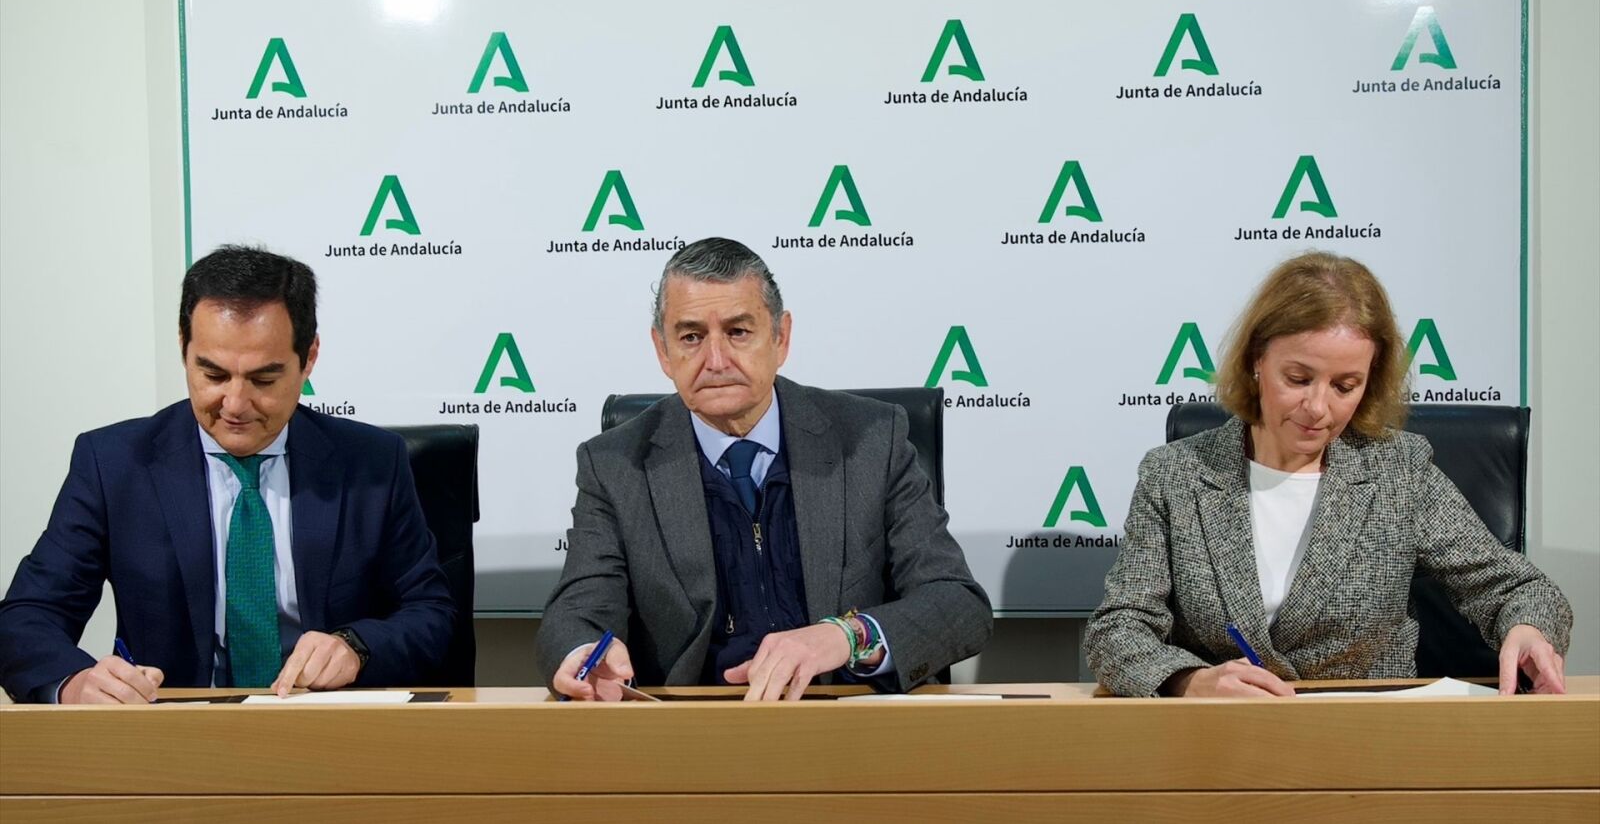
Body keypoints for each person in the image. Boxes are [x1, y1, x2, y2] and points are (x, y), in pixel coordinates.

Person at [1085, 251, 1571, 698]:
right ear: (1257, 361)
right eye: (1298, 379)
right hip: (1223, 736)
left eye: (1345, 386)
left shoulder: (1399, 471)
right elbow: (1117, 629)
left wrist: (1527, 628)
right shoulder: (1174, 474)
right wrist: (1190, 681)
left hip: (1369, 738)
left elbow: (1518, 589)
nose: (1318, 408)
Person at [536, 237, 991, 700]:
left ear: (780, 337)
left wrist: (848, 635)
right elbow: (578, 610)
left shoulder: (872, 440)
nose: (716, 361)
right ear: (662, 350)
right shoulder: (615, 465)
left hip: (846, 715)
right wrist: (583, 652)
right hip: (692, 725)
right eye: (691, 337)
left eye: (738, 332)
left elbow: (958, 603)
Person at [0, 245, 454, 703]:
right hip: (175, 728)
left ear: (309, 357)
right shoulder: (114, 464)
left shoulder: (372, 463)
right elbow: (26, 617)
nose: (235, 405)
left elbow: (431, 613)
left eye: (263, 380)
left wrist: (357, 647)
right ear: (184, 347)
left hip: (326, 725)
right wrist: (73, 682)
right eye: (214, 375)